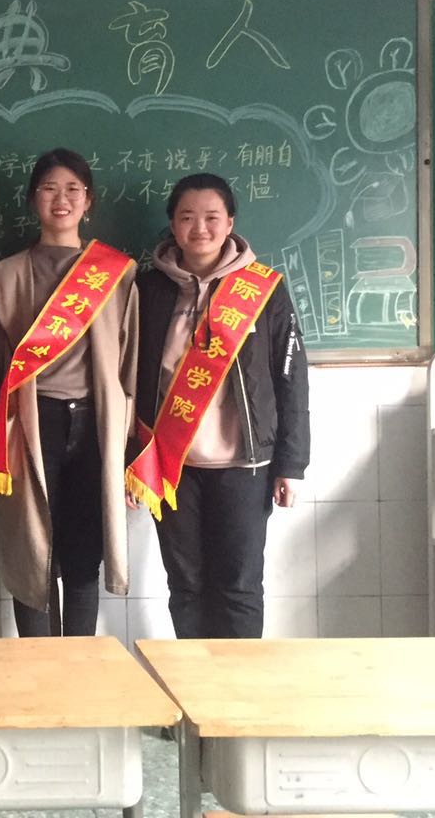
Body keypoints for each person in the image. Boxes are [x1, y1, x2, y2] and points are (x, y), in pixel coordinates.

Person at [128, 172, 309, 639]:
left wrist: (291, 463)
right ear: (173, 224)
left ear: (230, 223)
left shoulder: (264, 289)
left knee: (239, 587)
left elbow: (291, 380)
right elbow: (129, 379)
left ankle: (236, 684)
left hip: (245, 465)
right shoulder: (148, 291)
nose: (200, 228)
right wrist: (132, 459)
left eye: (212, 217)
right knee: (185, 586)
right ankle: (191, 681)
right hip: (173, 466)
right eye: (187, 217)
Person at [0, 149, 139, 637]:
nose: (61, 199)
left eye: (73, 189)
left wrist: (129, 441)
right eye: (49, 188)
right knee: (34, 550)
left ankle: (79, 665)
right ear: (33, 199)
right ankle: (37, 666)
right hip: (33, 422)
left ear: (89, 201)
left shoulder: (116, 274)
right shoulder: (4, 278)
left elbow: (129, 360)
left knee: (83, 553)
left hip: (95, 424)